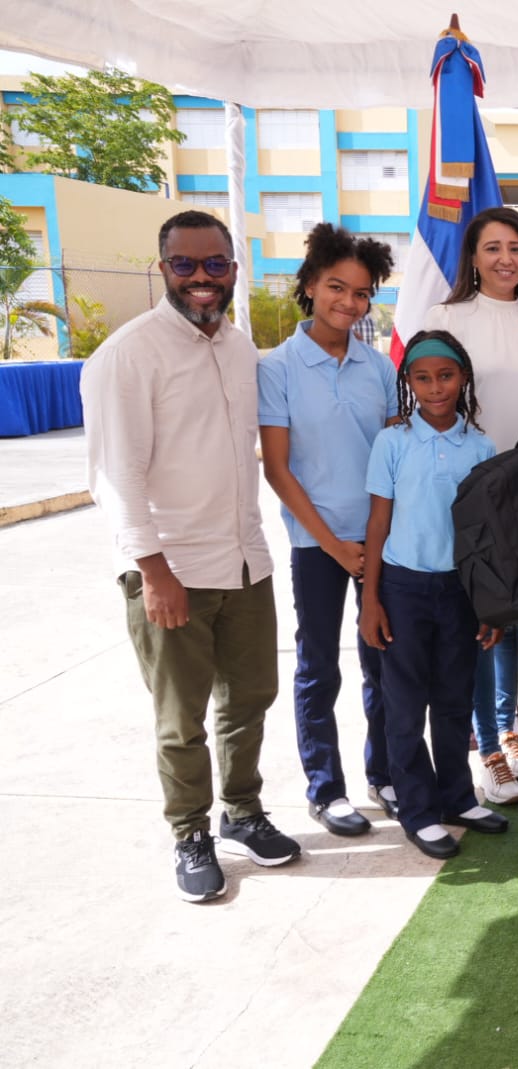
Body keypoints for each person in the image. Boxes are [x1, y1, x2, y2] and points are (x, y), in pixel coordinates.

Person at [82, 210, 301, 903]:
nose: (201, 278)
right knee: (182, 721)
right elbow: (116, 475)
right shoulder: (128, 355)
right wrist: (153, 571)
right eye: (185, 264)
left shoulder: (239, 348)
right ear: (164, 270)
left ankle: (242, 811)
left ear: (233, 269)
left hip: (245, 563)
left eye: (215, 264)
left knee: (250, 699)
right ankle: (189, 832)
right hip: (171, 570)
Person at [258, 223, 397, 836]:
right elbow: (278, 469)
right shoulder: (278, 367)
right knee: (319, 666)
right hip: (317, 544)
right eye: (337, 287)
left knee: (383, 663)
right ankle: (326, 788)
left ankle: (385, 775)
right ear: (311, 284)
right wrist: (335, 545)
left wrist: (374, 540)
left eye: (362, 293)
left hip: (379, 539)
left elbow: (391, 460)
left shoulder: (379, 368)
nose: (349, 302)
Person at [424, 206, 518, 807]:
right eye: (492, 248)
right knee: (482, 621)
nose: (506, 259)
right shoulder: (447, 318)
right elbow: (433, 395)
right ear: (473, 258)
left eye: (516, 247)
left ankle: (511, 727)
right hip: (470, 490)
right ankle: (488, 750)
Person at [361, 330, 507, 860]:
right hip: (403, 588)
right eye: (422, 378)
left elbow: (487, 534)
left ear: (463, 378)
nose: (435, 387)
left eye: (445, 376)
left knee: (453, 701)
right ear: (409, 383)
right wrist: (370, 600)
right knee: (404, 707)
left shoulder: (481, 446)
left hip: (460, 591)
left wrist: (490, 603)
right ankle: (419, 811)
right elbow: (378, 523)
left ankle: (456, 798)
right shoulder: (393, 442)